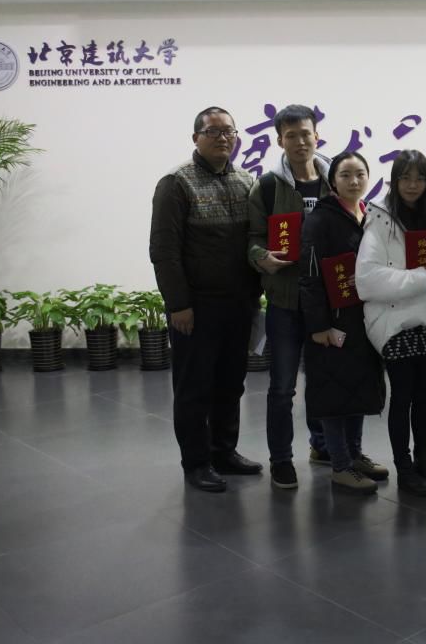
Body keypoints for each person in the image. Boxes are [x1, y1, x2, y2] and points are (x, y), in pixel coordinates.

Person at [149, 106, 263, 492]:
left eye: (229, 131)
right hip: (196, 307)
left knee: (231, 384)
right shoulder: (176, 183)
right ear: (196, 137)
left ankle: (223, 451)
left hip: (239, 303)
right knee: (194, 388)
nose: (223, 138)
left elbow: (255, 241)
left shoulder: (246, 181)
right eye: (213, 131)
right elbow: (164, 251)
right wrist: (178, 304)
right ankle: (196, 462)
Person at [356, 150, 426, 496]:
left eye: (420, 178)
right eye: (406, 178)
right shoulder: (380, 221)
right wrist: (421, 279)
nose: (413, 185)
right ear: (394, 181)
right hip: (395, 323)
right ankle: (404, 468)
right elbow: (366, 280)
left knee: (425, 397)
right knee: (403, 397)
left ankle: (423, 463)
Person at [246, 104, 331, 490]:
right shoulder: (267, 187)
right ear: (280, 140)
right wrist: (261, 256)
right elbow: (252, 238)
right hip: (284, 301)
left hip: (326, 302)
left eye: (306, 134)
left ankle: (322, 445)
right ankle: (281, 459)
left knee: (323, 380)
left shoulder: (335, 181)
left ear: (317, 136)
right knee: (282, 388)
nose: (300, 142)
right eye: (291, 135)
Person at [299, 150, 389, 494]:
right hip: (333, 323)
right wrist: (318, 325)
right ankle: (339, 465)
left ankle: (355, 455)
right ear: (332, 181)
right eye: (345, 175)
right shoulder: (321, 219)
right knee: (333, 394)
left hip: (363, 320)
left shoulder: (369, 216)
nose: (354, 181)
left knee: (358, 389)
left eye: (360, 174)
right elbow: (309, 276)